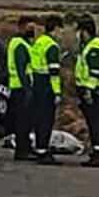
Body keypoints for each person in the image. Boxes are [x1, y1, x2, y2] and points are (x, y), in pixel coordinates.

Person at [73, 15, 99, 167]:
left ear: (85, 31)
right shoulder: (89, 46)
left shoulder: (94, 47)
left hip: (97, 91)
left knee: (96, 123)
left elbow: (95, 72)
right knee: (96, 122)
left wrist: (88, 90)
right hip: (95, 90)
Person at [29, 15, 64, 164]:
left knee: (38, 118)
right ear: (55, 29)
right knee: (46, 119)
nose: (61, 34)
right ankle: (43, 150)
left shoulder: (39, 42)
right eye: (60, 30)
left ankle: (40, 148)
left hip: (36, 83)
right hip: (47, 86)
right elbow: (54, 73)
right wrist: (57, 92)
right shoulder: (52, 46)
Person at [7, 16, 37, 160]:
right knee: (23, 121)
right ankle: (22, 150)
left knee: (25, 120)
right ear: (21, 27)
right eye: (29, 27)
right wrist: (27, 89)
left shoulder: (23, 43)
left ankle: (25, 147)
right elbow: (21, 68)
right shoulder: (20, 44)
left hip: (19, 86)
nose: (31, 30)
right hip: (20, 87)